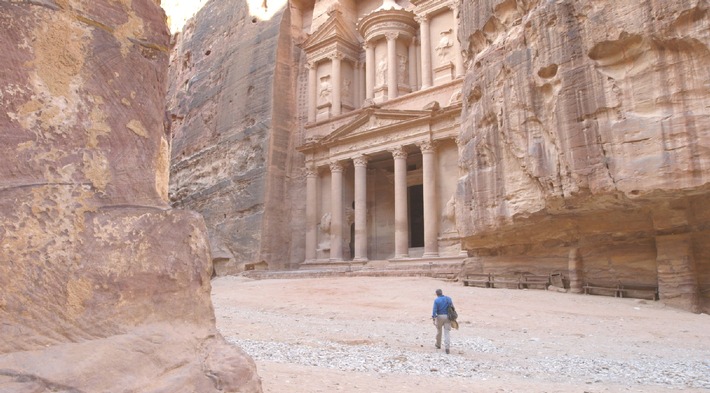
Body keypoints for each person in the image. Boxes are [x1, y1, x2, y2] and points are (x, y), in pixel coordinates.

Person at [432, 288, 454, 354]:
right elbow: (452, 307)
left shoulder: (436, 300)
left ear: (436, 294)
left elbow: (434, 310)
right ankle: (447, 348)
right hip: (448, 317)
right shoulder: (448, 299)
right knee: (447, 332)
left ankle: (438, 345)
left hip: (439, 316)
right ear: (442, 292)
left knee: (439, 331)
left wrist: (433, 318)